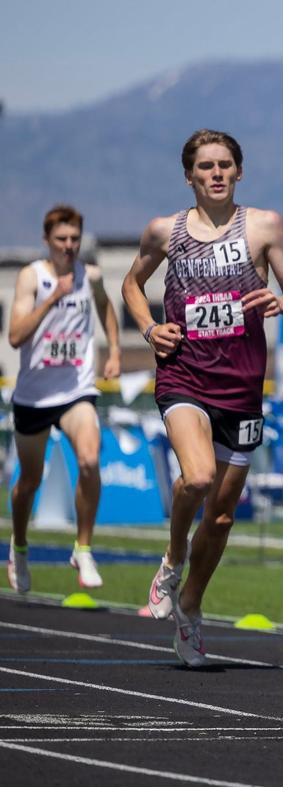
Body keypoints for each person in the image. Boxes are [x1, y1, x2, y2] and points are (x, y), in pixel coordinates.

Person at [122, 129, 283, 667]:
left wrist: (280, 299)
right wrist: (148, 329)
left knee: (223, 516)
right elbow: (132, 285)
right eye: (206, 166)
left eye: (226, 164)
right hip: (184, 375)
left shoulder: (265, 225)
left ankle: (191, 608)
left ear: (239, 171)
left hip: (242, 384)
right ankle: (172, 556)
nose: (217, 173)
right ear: (190, 176)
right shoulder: (166, 231)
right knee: (198, 477)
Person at [6, 205, 120, 593]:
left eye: (74, 239)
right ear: (47, 241)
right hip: (34, 397)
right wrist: (52, 299)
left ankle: (83, 549)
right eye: (61, 240)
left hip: (77, 389)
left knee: (90, 458)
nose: (68, 247)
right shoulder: (31, 278)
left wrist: (115, 351)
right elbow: (16, 336)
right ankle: (19, 547)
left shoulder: (91, 276)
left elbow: (106, 308)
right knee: (29, 482)